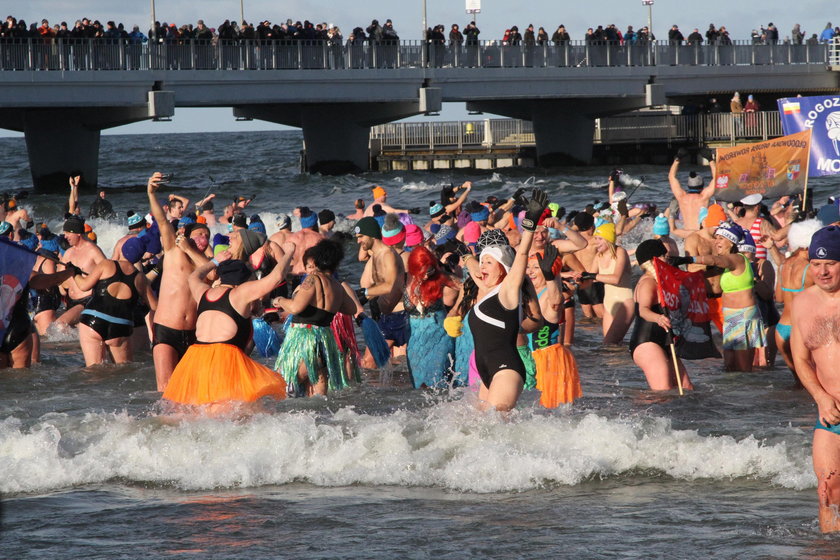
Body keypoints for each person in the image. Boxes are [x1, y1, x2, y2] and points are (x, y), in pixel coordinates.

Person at [162, 244, 294, 407]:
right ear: (242, 282)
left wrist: (215, 261)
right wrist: (289, 252)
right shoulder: (240, 293)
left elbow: (194, 277)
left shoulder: (203, 292)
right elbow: (276, 277)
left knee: (200, 411)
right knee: (239, 413)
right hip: (225, 359)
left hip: (195, 360)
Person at [468, 189, 548, 412]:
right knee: (474, 431)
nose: (482, 267)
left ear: (503, 268)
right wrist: (466, 256)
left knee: (493, 428)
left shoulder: (507, 292)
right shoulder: (486, 290)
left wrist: (529, 227)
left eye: (488, 263)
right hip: (487, 372)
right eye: (481, 262)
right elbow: (474, 269)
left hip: (506, 369)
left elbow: (521, 256)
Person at [790, 225, 840, 532]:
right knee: (827, 492)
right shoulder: (802, 303)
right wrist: (821, 398)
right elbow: (801, 359)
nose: (822, 271)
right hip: (831, 414)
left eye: (831, 264)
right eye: (816, 264)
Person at [147, 172, 210, 391]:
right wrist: (151, 192)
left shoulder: (206, 263)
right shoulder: (173, 250)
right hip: (166, 329)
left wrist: (191, 250)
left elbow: (212, 276)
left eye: (207, 237)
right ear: (187, 235)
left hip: (193, 333)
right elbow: (162, 221)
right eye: (200, 235)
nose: (204, 239)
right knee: (166, 388)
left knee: (190, 389)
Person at [676, 221, 765, 371]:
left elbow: (716, 260)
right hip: (730, 316)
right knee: (729, 367)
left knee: (744, 370)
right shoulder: (728, 265)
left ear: (731, 242)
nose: (716, 242)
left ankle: (753, 393)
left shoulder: (737, 259)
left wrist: (688, 259)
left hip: (743, 317)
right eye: (716, 238)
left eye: (721, 239)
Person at [274, 239, 356, 396]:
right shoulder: (337, 285)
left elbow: (295, 307)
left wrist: (279, 300)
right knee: (318, 397)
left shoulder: (313, 279)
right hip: (324, 341)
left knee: (283, 386)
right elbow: (351, 308)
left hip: (304, 340)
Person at [69, 253, 155, 366]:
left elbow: (84, 286)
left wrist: (75, 273)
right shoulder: (140, 278)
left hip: (92, 320)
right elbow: (154, 306)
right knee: (123, 370)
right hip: (121, 325)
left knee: (94, 371)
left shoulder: (107, 264)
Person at [630, 239, 693, 391]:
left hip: (665, 341)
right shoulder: (647, 283)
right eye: (665, 256)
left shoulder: (663, 281)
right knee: (663, 391)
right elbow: (643, 310)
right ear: (654, 259)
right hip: (647, 342)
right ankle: (641, 414)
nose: (668, 259)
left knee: (687, 388)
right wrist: (657, 318)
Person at [525, 243, 582, 406]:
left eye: (536, 267)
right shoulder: (530, 293)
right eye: (529, 267)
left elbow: (556, 303)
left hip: (547, 361)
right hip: (530, 357)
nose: (530, 271)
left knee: (547, 410)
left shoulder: (549, 296)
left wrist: (551, 277)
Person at [403, 245, 458, 388]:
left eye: (430, 271)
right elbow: (387, 302)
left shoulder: (439, 277)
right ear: (414, 268)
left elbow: (466, 286)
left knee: (438, 381)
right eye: (423, 272)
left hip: (439, 336)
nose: (427, 275)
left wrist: (456, 310)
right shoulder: (403, 280)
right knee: (418, 385)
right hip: (416, 340)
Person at [776, 219, 822, 383]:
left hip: (782, 329)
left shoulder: (784, 265)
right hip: (802, 328)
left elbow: (779, 298)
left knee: (799, 383)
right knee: (815, 382)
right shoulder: (810, 268)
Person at [355, 216, 407, 362]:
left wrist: (364, 294)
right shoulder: (376, 255)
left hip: (401, 315)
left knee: (371, 361)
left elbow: (389, 285)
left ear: (372, 235)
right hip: (386, 315)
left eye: (361, 237)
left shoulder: (388, 254)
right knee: (375, 361)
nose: (358, 241)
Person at [585, 223, 634, 344]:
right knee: (609, 346)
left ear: (609, 240)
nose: (596, 242)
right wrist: (577, 278)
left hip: (625, 302)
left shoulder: (620, 252)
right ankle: (621, 363)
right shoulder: (598, 256)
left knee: (610, 342)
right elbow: (589, 279)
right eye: (595, 238)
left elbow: (616, 279)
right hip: (609, 303)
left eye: (600, 239)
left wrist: (592, 276)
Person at [57, 215, 106, 327]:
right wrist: (61, 285)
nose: (65, 236)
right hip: (70, 301)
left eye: (68, 233)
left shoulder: (93, 250)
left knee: (60, 325)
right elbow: (59, 277)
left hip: (88, 301)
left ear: (78, 233)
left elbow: (108, 271)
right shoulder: (69, 252)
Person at [668, 152, 717, 231]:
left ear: (688, 185)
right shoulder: (703, 197)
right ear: (702, 186)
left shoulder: (681, 197)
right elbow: (716, 178)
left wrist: (677, 159)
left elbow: (671, 177)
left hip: (687, 234)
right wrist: (710, 160)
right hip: (700, 233)